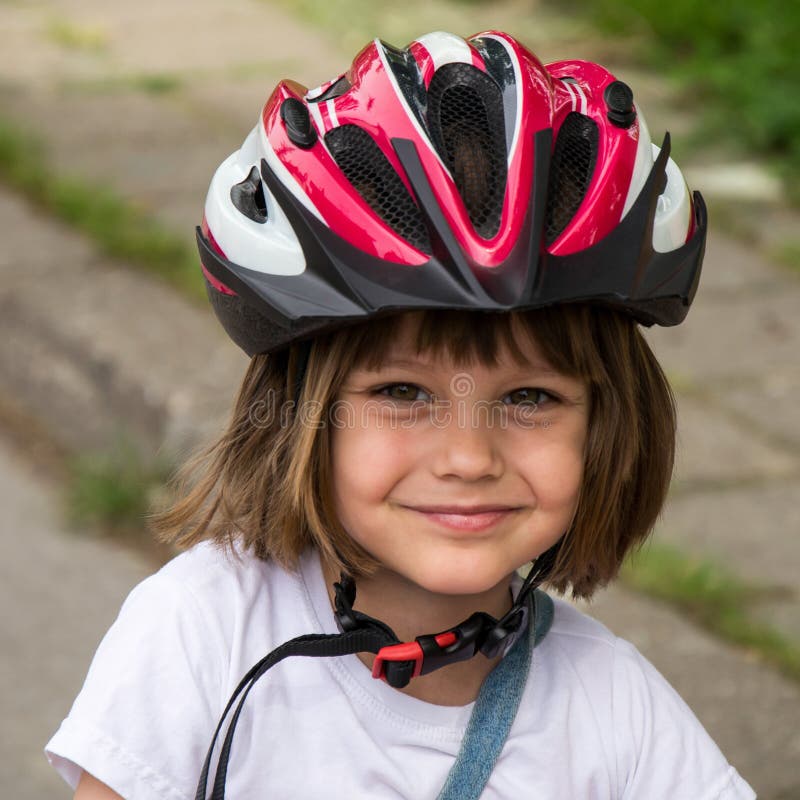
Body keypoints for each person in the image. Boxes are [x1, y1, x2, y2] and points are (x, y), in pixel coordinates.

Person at [46, 29, 755, 799]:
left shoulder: (616, 712)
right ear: (300, 420)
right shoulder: (202, 634)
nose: (468, 458)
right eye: (403, 394)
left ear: (611, 430)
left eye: (529, 398)